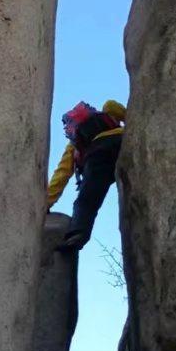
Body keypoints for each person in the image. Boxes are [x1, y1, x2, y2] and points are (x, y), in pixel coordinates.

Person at [46, 99, 126, 250]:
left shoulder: (74, 145)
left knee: (86, 200)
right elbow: (111, 105)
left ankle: (77, 234)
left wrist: (47, 201)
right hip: (123, 141)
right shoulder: (107, 115)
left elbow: (62, 173)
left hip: (98, 155)